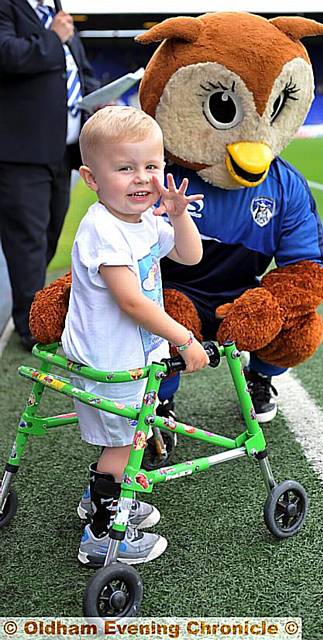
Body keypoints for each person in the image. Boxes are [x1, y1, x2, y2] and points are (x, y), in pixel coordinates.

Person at [61, 106, 209, 567]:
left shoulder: (142, 219)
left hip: (132, 358)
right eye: (125, 168)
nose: (141, 178)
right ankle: (103, 536)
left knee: (126, 440)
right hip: (109, 363)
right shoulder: (103, 228)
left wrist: (179, 215)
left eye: (151, 166)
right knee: (123, 445)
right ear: (92, 178)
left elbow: (190, 255)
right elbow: (131, 300)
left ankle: (102, 500)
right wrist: (185, 338)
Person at [0, 0, 99, 351]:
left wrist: (101, 97)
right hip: (20, 152)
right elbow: (7, 55)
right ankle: (31, 326)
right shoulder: (9, 8)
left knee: (51, 231)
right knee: (28, 240)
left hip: (62, 149)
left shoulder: (59, 15)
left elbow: (81, 72)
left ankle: (35, 309)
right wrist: (52, 38)